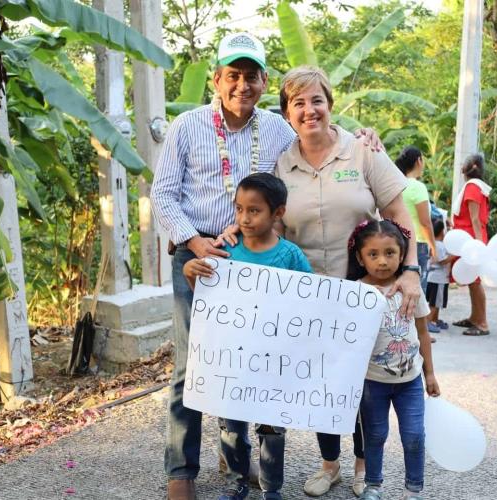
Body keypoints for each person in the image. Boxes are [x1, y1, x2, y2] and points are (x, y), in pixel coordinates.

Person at [151, 34, 384, 500]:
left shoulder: (277, 128)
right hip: (202, 259)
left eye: (252, 76)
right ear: (216, 80)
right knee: (194, 364)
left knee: (252, 364)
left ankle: (240, 460)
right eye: (232, 75)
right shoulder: (187, 125)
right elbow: (163, 194)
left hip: (260, 263)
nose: (242, 84)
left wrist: (364, 137)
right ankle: (182, 472)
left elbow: (319, 132)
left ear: (262, 82)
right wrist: (197, 243)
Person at [273, 66, 423, 497]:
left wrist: (410, 269)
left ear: (330, 104)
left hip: (365, 296)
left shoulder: (362, 152)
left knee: (364, 385)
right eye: (298, 102)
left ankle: (362, 466)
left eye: (316, 100)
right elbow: (278, 232)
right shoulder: (282, 164)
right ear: (287, 112)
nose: (308, 110)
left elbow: (398, 214)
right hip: (311, 299)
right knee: (323, 384)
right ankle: (329, 464)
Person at [183, 174, 311, 500]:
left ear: (278, 213)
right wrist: (190, 275)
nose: (244, 218)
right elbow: (208, 304)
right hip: (232, 360)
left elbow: (313, 302)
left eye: (254, 211)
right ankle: (241, 480)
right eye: (239, 209)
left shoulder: (291, 256)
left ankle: (271, 490)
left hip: (273, 361)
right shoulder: (225, 251)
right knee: (230, 430)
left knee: (272, 430)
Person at [344, 219, 440, 500]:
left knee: (414, 437)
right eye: (373, 254)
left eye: (390, 253)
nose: (382, 261)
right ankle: (373, 486)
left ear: (402, 255)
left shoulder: (411, 289)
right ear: (360, 258)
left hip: (410, 382)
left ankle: (414, 489)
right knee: (374, 436)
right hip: (372, 382)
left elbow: (423, 333)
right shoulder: (355, 292)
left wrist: (430, 374)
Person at [450, 154, 491, 337]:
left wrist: (478, 244)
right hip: (468, 238)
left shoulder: (473, 187)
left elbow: (474, 218)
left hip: (471, 240)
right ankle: (475, 317)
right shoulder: (475, 186)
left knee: (475, 281)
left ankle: (482, 323)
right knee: (471, 281)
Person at [394, 147, 438, 293]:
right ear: (419, 161)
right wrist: (433, 246)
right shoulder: (417, 187)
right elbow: (425, 222)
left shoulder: (395, 184)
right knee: (417, 291)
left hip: (396, 243)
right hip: (417, 244)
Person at [425, 219, 451, 334]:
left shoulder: (432, 243)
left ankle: (435, 320)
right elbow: (441, 261)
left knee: (437, 301)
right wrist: (454, 256)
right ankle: (428, 322)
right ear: (442, 231)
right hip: (438, 278)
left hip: (435, 277)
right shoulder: (439, 245)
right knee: (435, 303)